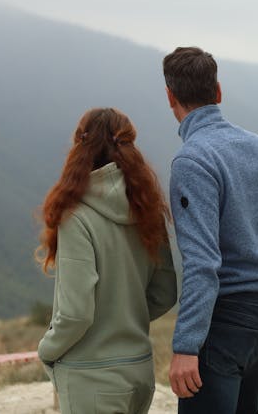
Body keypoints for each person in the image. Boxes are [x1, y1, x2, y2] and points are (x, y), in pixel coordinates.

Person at [163, 46, 258, 413]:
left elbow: (202, 261)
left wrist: (186, 346)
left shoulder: (192, 160)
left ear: (170, 97)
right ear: (218, 92)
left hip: (226, 321)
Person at [36, 107, 178, 414]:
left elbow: (76, 314)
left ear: (80, 146)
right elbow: (165, 292)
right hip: (139, 371)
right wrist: (122, 318)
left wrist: (46, 351)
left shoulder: (75, 216)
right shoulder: (148, 209)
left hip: (92, 376)